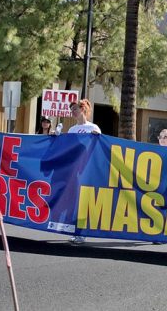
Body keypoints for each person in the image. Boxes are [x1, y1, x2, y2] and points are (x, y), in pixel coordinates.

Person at [67, 99, 101, 244]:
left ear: (83, 110)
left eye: (75, 109)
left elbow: (100, 148)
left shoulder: (93, 127)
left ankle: (82, 233)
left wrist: (96, 137)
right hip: (74, 170)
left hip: (87, 169)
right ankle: (75, 231)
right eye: (71, 110)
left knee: (83, 201)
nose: (73, 112)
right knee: (74, 202)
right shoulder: (72, 130)